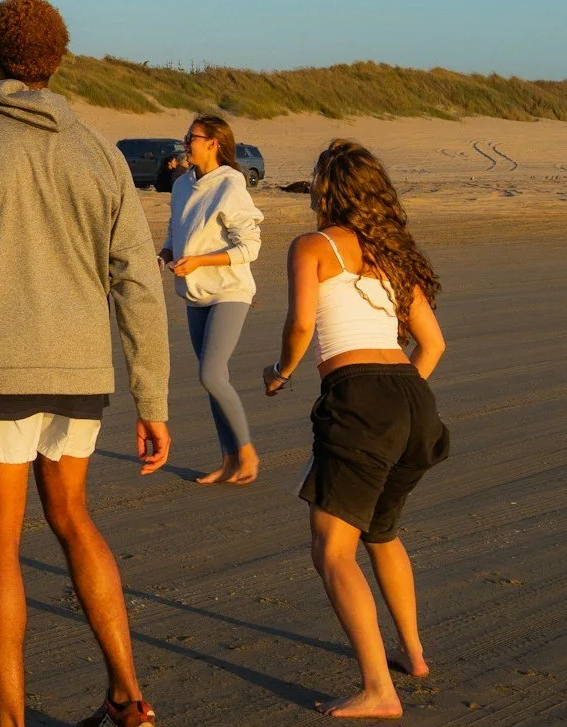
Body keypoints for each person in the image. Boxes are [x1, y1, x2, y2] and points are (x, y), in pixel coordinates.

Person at [0, 0, 172, 727]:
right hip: (80, 370)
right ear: (56, 64)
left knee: (0, 533)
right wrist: (151, 399)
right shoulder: (98, 153)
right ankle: (128, 693)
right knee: (73, 516)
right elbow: (138, 282)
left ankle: (10, 718)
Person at [262, 140, 449, 720]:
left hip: (360, 397)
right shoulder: (394, 254)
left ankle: (378, 688)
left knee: (331, 548)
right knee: (382, 532)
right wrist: (398, 401)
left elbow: (300, 324)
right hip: (414, 401)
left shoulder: (312, 246)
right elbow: (433, 344)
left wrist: (281, 373)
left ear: (326, 191)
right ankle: (413, 654)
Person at [160, 114, 264, 485]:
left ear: (213, 143)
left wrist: (200, 260)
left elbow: (249, 247)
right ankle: (228, 460)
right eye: (187, 136)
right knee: (213, 379)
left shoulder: (231, 185)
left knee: (211, 373)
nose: (185, 142)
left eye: (192, 137)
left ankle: (248, 454)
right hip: (194, 294)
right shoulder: (182, 185)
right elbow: (176, 228)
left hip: (229, 292)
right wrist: (167, 253)